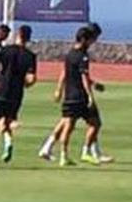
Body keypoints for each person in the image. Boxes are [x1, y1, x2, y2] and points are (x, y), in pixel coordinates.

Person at [38, 23, 111, 163]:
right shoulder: (82, 56)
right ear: (87, 38)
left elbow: (66, 72)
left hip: (70, 94)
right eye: (94, 38)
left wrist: (59, 89)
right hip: (80, 95)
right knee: (93, 123)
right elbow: (83, 76)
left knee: (67, 123)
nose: (94, 41)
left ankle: (54, 151)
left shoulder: (70, 53)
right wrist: (90, 95)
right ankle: (89, 152)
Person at [0, 25, 37, 169]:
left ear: (18, 35)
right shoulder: (30, 56)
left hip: (1, 90)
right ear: (29, 38)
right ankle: (8, 141)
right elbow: (32, 79)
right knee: (6, 122)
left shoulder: (4, 50)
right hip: (16, 94)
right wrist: (23, 84)